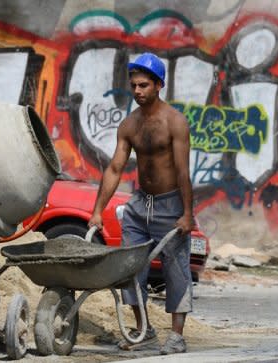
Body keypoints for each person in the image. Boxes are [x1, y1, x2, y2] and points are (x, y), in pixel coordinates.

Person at [88, 52, 195, 354]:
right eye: (134, 85)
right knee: (130, 267)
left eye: (144, 85)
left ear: (159, 85)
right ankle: (143, 329)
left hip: (170, 204)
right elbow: (114, 168)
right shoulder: (129, 125)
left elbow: (184, 171)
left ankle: (176, 335)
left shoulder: (175, 122)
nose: (137, 91)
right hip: (139, 205)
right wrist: (97, 211)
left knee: (176, 268)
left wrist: (187, 214)